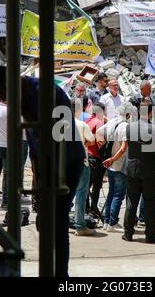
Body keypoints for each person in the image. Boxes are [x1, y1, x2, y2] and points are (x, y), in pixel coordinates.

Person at [0, 64, 85, 277]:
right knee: (48, 224)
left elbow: (56, 144)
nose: (2, 98)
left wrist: (46, 188)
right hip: (50, 164)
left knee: (56, 224)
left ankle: (60, 276)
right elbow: (35, 147)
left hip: (66, 162)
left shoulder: (43, 93)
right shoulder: (24, 97)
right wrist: (38, 185)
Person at [122, 101, 155, 243]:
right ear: (151, 112)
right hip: (150, 170)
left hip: (133, 168)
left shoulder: (130, 127)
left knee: (131, 202)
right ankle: (150, 234)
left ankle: (128, 233)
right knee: (150, 203)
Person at [97, 102, 135, 232]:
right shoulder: (124, 126)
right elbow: (124, 148)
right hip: (118, 164)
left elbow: (99, 132)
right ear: (128, 114)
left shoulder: (112, 121)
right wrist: (113, 158)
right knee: (118, 195)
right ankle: (112, 222)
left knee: (111, 194)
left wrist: (102, 146)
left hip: (110, 164)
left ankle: (106, 222)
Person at [71, 99, 96, 236]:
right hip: (80, 163)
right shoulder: (82, 124)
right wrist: (84, 142)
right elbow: (92, 140)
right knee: (81, 194)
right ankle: (80, 225)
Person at [86, 102, 106, 218]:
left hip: (88, 155)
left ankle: (87, 209)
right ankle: (93, 210)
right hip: (96, 157)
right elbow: (100, 142)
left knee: (87, 185)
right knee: (96, 185)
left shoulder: (88, 121)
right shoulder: (99, 123)